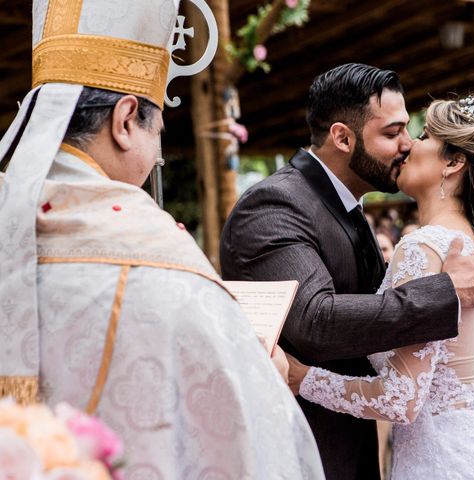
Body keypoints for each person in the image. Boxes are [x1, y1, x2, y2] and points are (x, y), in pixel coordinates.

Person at [0, 1, 324, 478]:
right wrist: (263, 378)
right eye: (160, 135)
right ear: (126, 120)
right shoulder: (168, 270)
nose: (156, 157)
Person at [220, 64, 474, 480]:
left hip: (364, 447)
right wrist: (445, 293)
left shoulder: (353, 211)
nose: (407, 145)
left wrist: (467, 395)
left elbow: (386, 346)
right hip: (303, 452)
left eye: (410, 131)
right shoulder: (275, 205)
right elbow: (314, 321)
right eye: (392, 134)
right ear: (342, 137)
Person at [286, 92, 474, 479]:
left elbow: (401, 400)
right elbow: (465, 369)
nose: (409, 144)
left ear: (454, 162)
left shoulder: (424, 245)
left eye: (425, 135)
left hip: (445, 460)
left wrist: (301, 377)